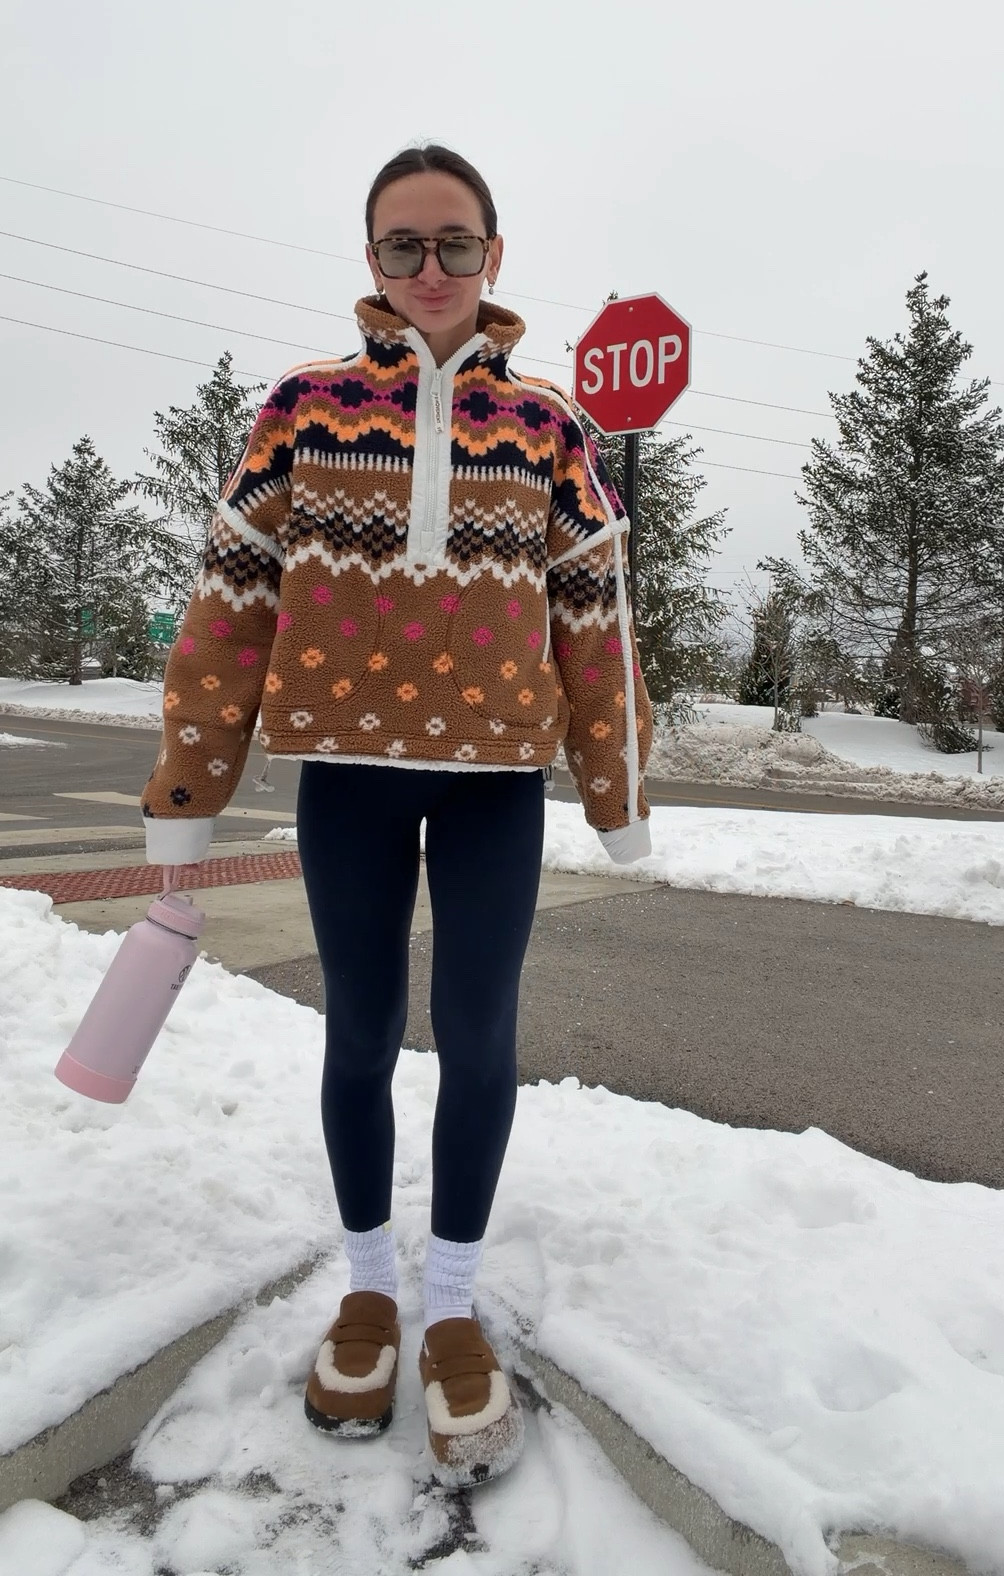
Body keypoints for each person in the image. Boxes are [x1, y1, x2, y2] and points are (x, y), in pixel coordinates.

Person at [140, 144, 654, 1488]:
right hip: (347, 785)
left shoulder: (547, 428)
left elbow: (593, 622)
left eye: (456, 245)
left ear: (496, 256)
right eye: (402, 247)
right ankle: (372, 1288)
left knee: (481, 1040)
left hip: (495, 792)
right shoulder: (303, 409)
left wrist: (615, 791)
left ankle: (452, 1301)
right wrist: (186, 795)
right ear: (370, 262)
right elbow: (232, 601)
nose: (430, 270)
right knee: (360, 1033)